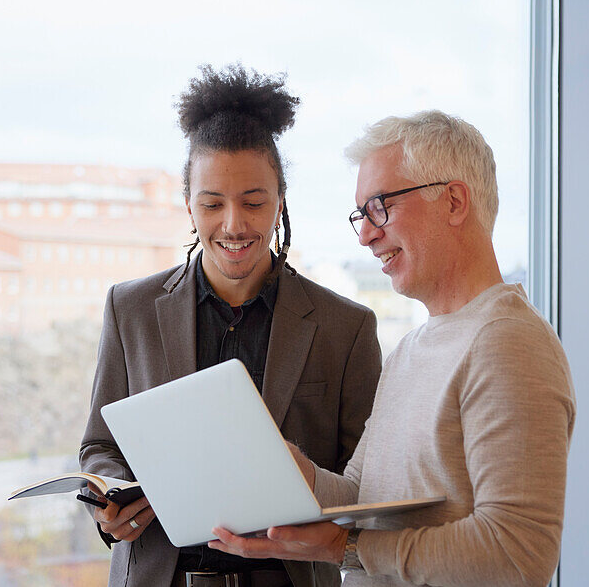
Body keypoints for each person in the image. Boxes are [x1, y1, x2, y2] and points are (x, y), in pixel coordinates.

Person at [208, 110, 577, 587]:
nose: (365, 234)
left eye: (380, 206)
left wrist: (347, 547)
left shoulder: (509, 343)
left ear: (454, 201)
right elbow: (364, 492)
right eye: (360, 215)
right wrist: (296, 472)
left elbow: (518, 552)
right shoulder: (410, 349)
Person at [79, 64, 383, 587]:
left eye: (254, 202)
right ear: (189, 205)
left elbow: (369, 488)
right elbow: (99, 447)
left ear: (281, 202)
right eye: (212, 204)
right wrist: (109, 501)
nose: (234, 225)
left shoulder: (346, 327)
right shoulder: (128, 309)